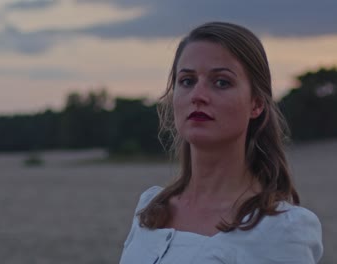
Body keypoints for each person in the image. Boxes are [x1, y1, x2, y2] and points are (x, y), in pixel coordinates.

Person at [119, 22, 323, 264]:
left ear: (256, 104)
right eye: (187, 81)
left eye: (221, 82)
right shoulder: (151, 209)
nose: (198, 95)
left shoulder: (282, 229)